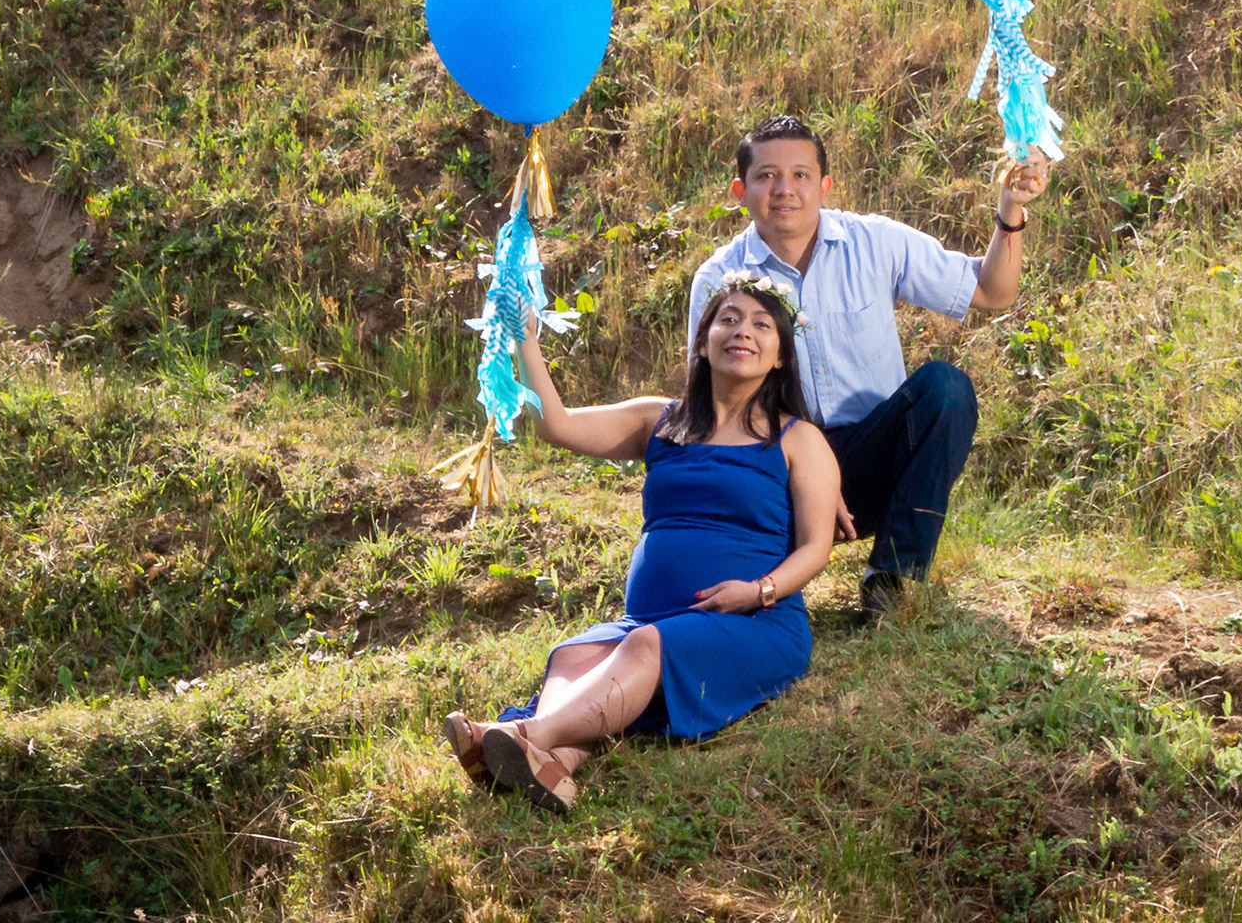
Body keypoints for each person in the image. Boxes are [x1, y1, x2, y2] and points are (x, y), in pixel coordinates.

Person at [440, 272, 839, 813]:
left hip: (754, 622)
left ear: (780, 357)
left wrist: (759, 592)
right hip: (649, 621)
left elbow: (817, 547)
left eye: (761, 324)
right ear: (703, 341)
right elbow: (557, 426)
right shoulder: (661, 420)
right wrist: (526, 338)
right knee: (575, 653)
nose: (742, 331)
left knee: (647, 647)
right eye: (728, 319)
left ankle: (528, 733)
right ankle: (555, 764)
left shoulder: (798, 439)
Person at [686, 114, 1052, 621]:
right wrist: (813, 477)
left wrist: (1011, 213)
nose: (784, 190)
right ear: (740, 190)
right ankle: (763, 572)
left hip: (872, 458)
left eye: (800, 175)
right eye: (766, 176)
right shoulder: (717, 279)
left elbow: (993, 291)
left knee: (944, 389)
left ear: (826, 185)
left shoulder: (876, 241)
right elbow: (713, 410)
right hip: (778, 471)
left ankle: (893, 578)